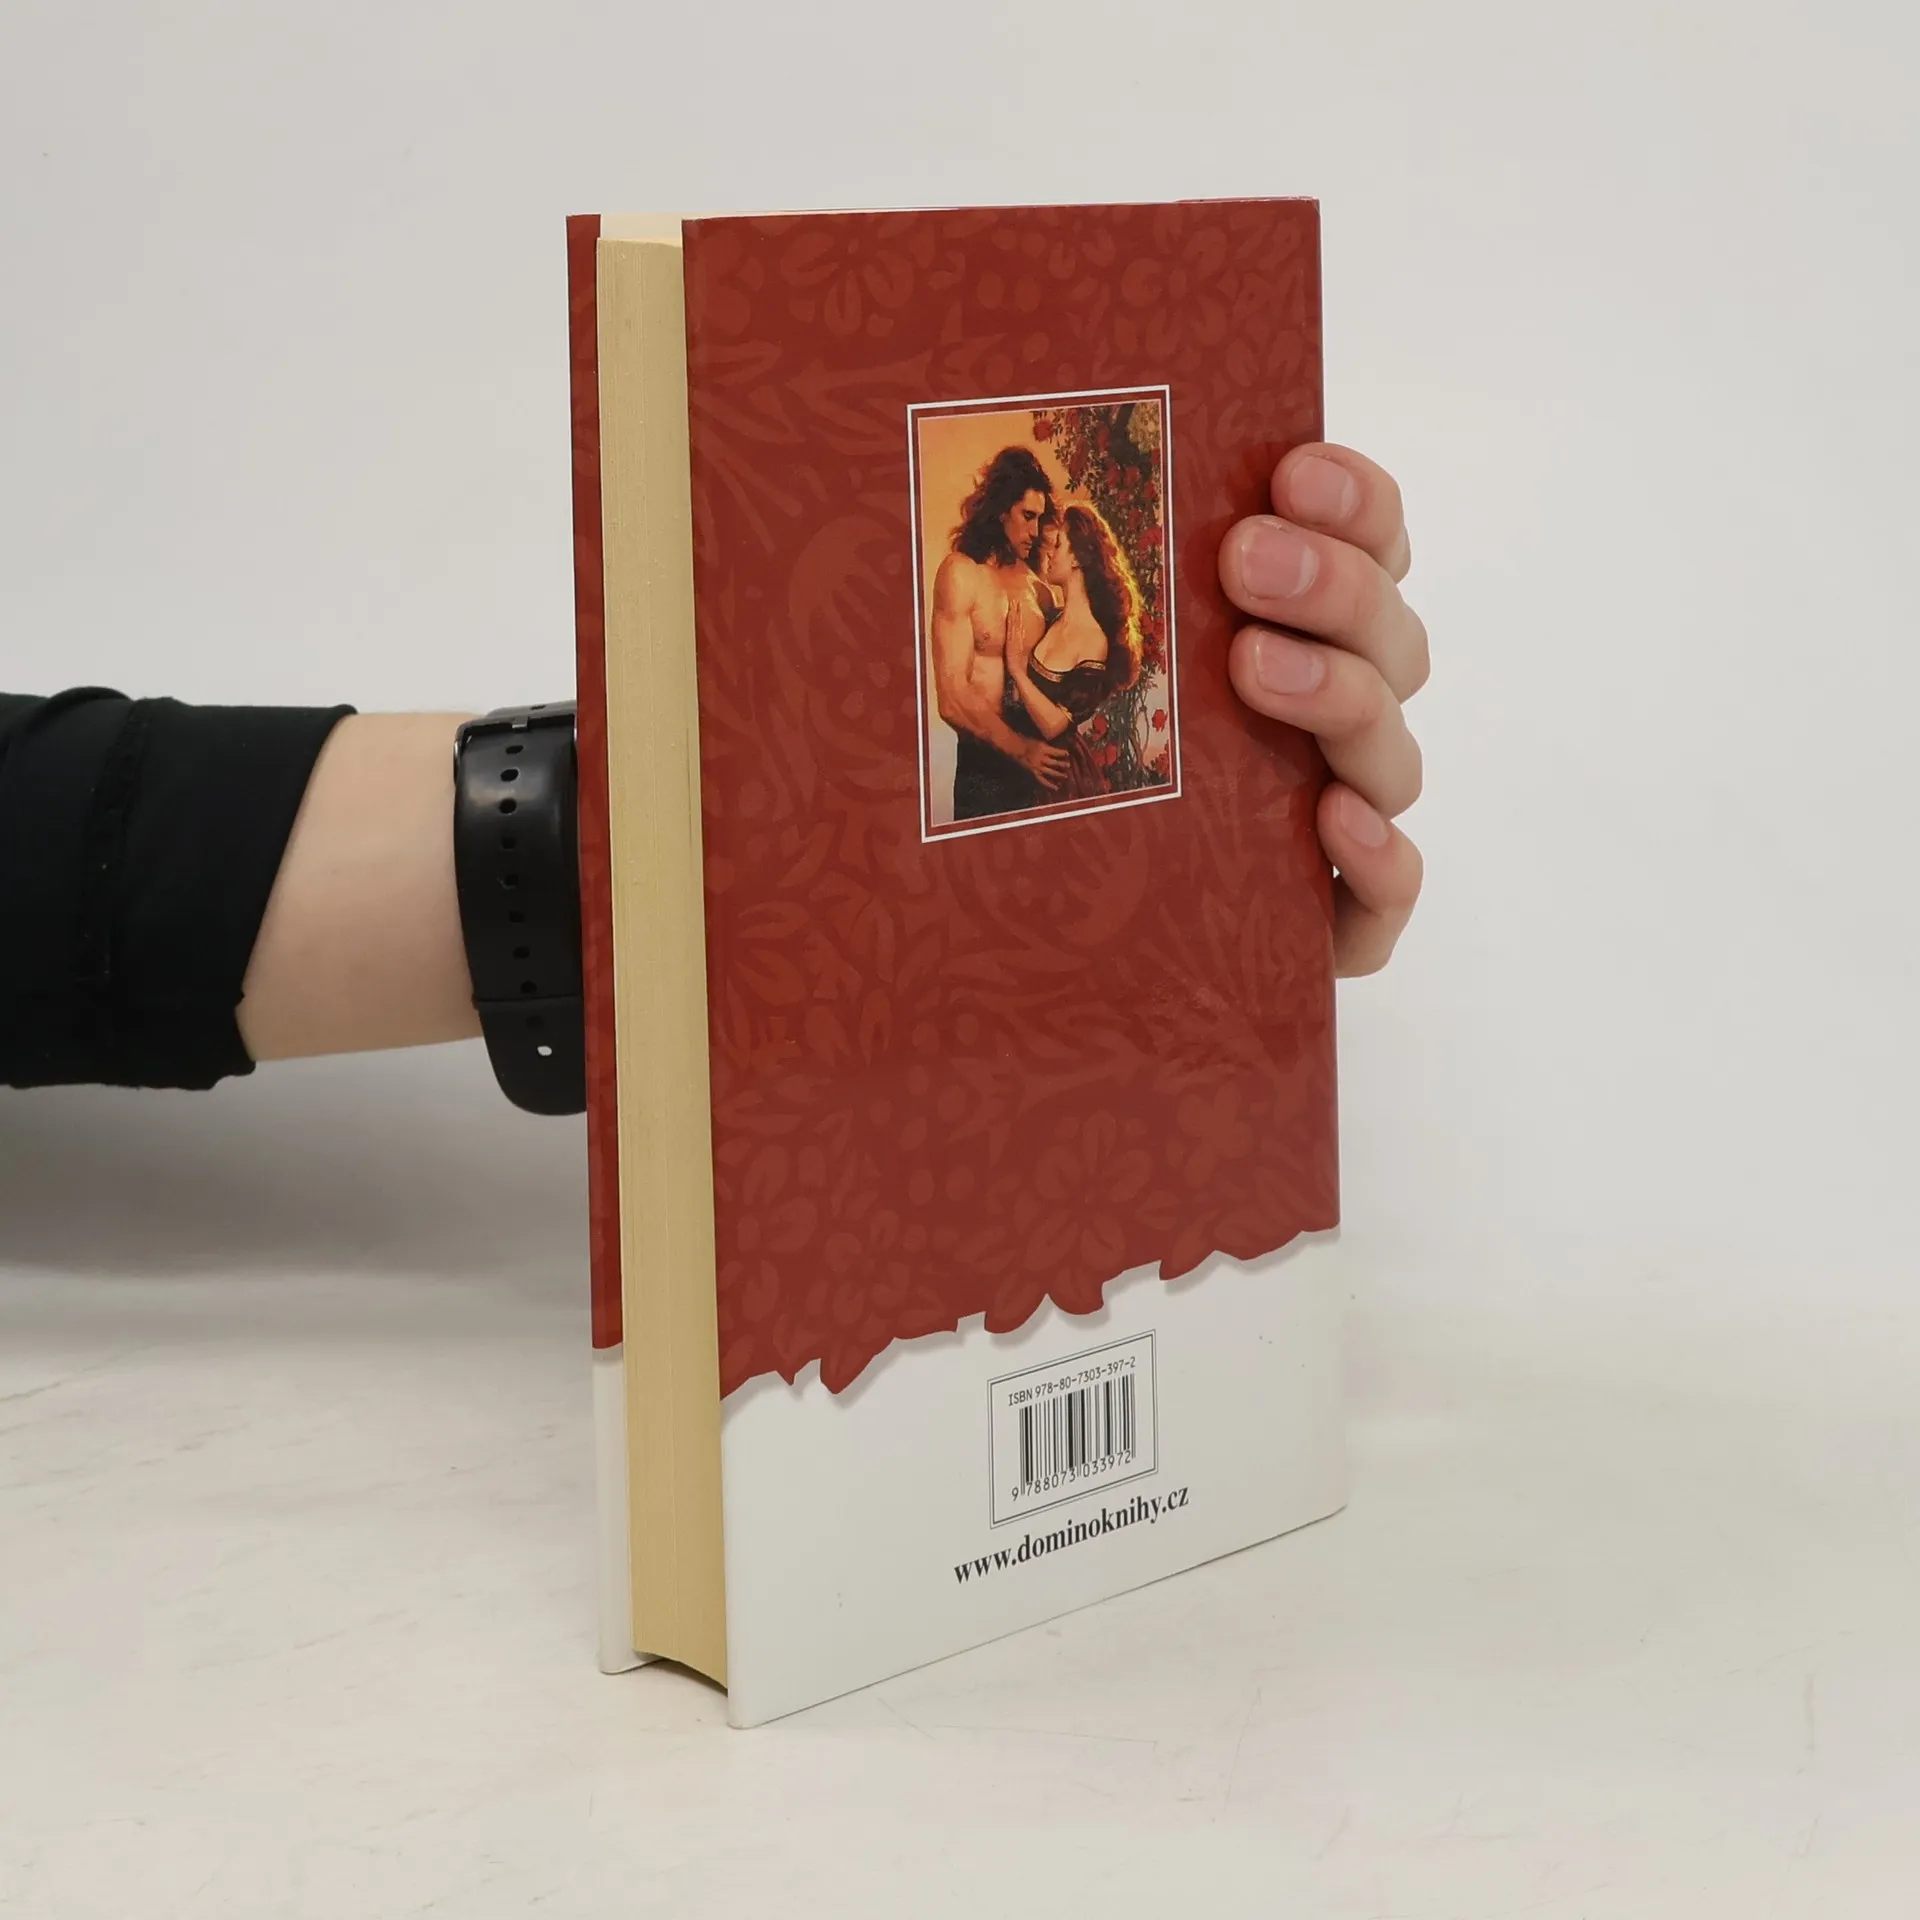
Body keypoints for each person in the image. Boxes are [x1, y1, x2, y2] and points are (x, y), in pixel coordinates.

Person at [0, 441, 1426, 1096]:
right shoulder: (960, 583)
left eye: (1058, 518)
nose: (1047, 528)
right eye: (1038, 512)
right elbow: (967, 704)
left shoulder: (1039, 575)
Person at [927, 445, 1074, 819]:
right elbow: (952, 696)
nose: (1034, 531)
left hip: (1043, 770)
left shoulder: (1039, 589)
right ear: (1001, 508)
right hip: (985, 769)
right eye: (1027, 516)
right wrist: (1021, 750)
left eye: (1040, 519)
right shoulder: (962, 574)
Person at [1002, 502, 1146, 800]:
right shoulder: (1054, 618)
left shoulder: (1093, 641)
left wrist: (1016, 669)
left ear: (1078, 557)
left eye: (1057, 545)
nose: (1049, 553)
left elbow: (1054, 726)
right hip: (1028, 766)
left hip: (1059, 779)